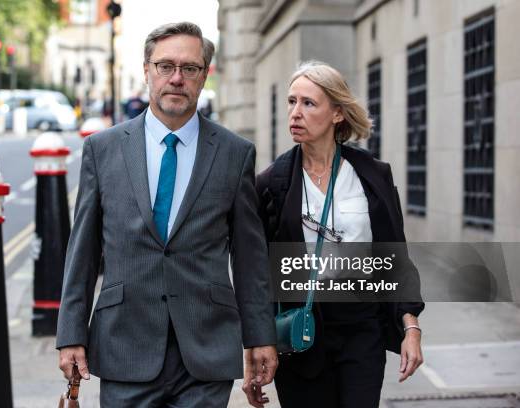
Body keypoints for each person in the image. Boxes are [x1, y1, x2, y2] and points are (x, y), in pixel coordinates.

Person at [56, 22, 278, 407]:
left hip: (206, 348)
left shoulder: (234, 153)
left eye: (189, 68)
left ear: (204, 75)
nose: (176, 78)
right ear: (147, 70)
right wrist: (70, 333)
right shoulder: (102, 150)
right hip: (125, 346)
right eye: (165, 66)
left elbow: (250, 257)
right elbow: (83, 251)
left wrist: (260, 336)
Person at [255, 61, 425, 408]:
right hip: (301, 331)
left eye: (308, 103)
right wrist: (257, 347)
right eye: (291, 102)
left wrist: (411, 327)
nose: (296, 113)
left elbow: (394, 258)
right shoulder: (272, 184)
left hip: (362, 328)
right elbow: (257, 274)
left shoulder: (372, 176)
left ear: (337, 113)